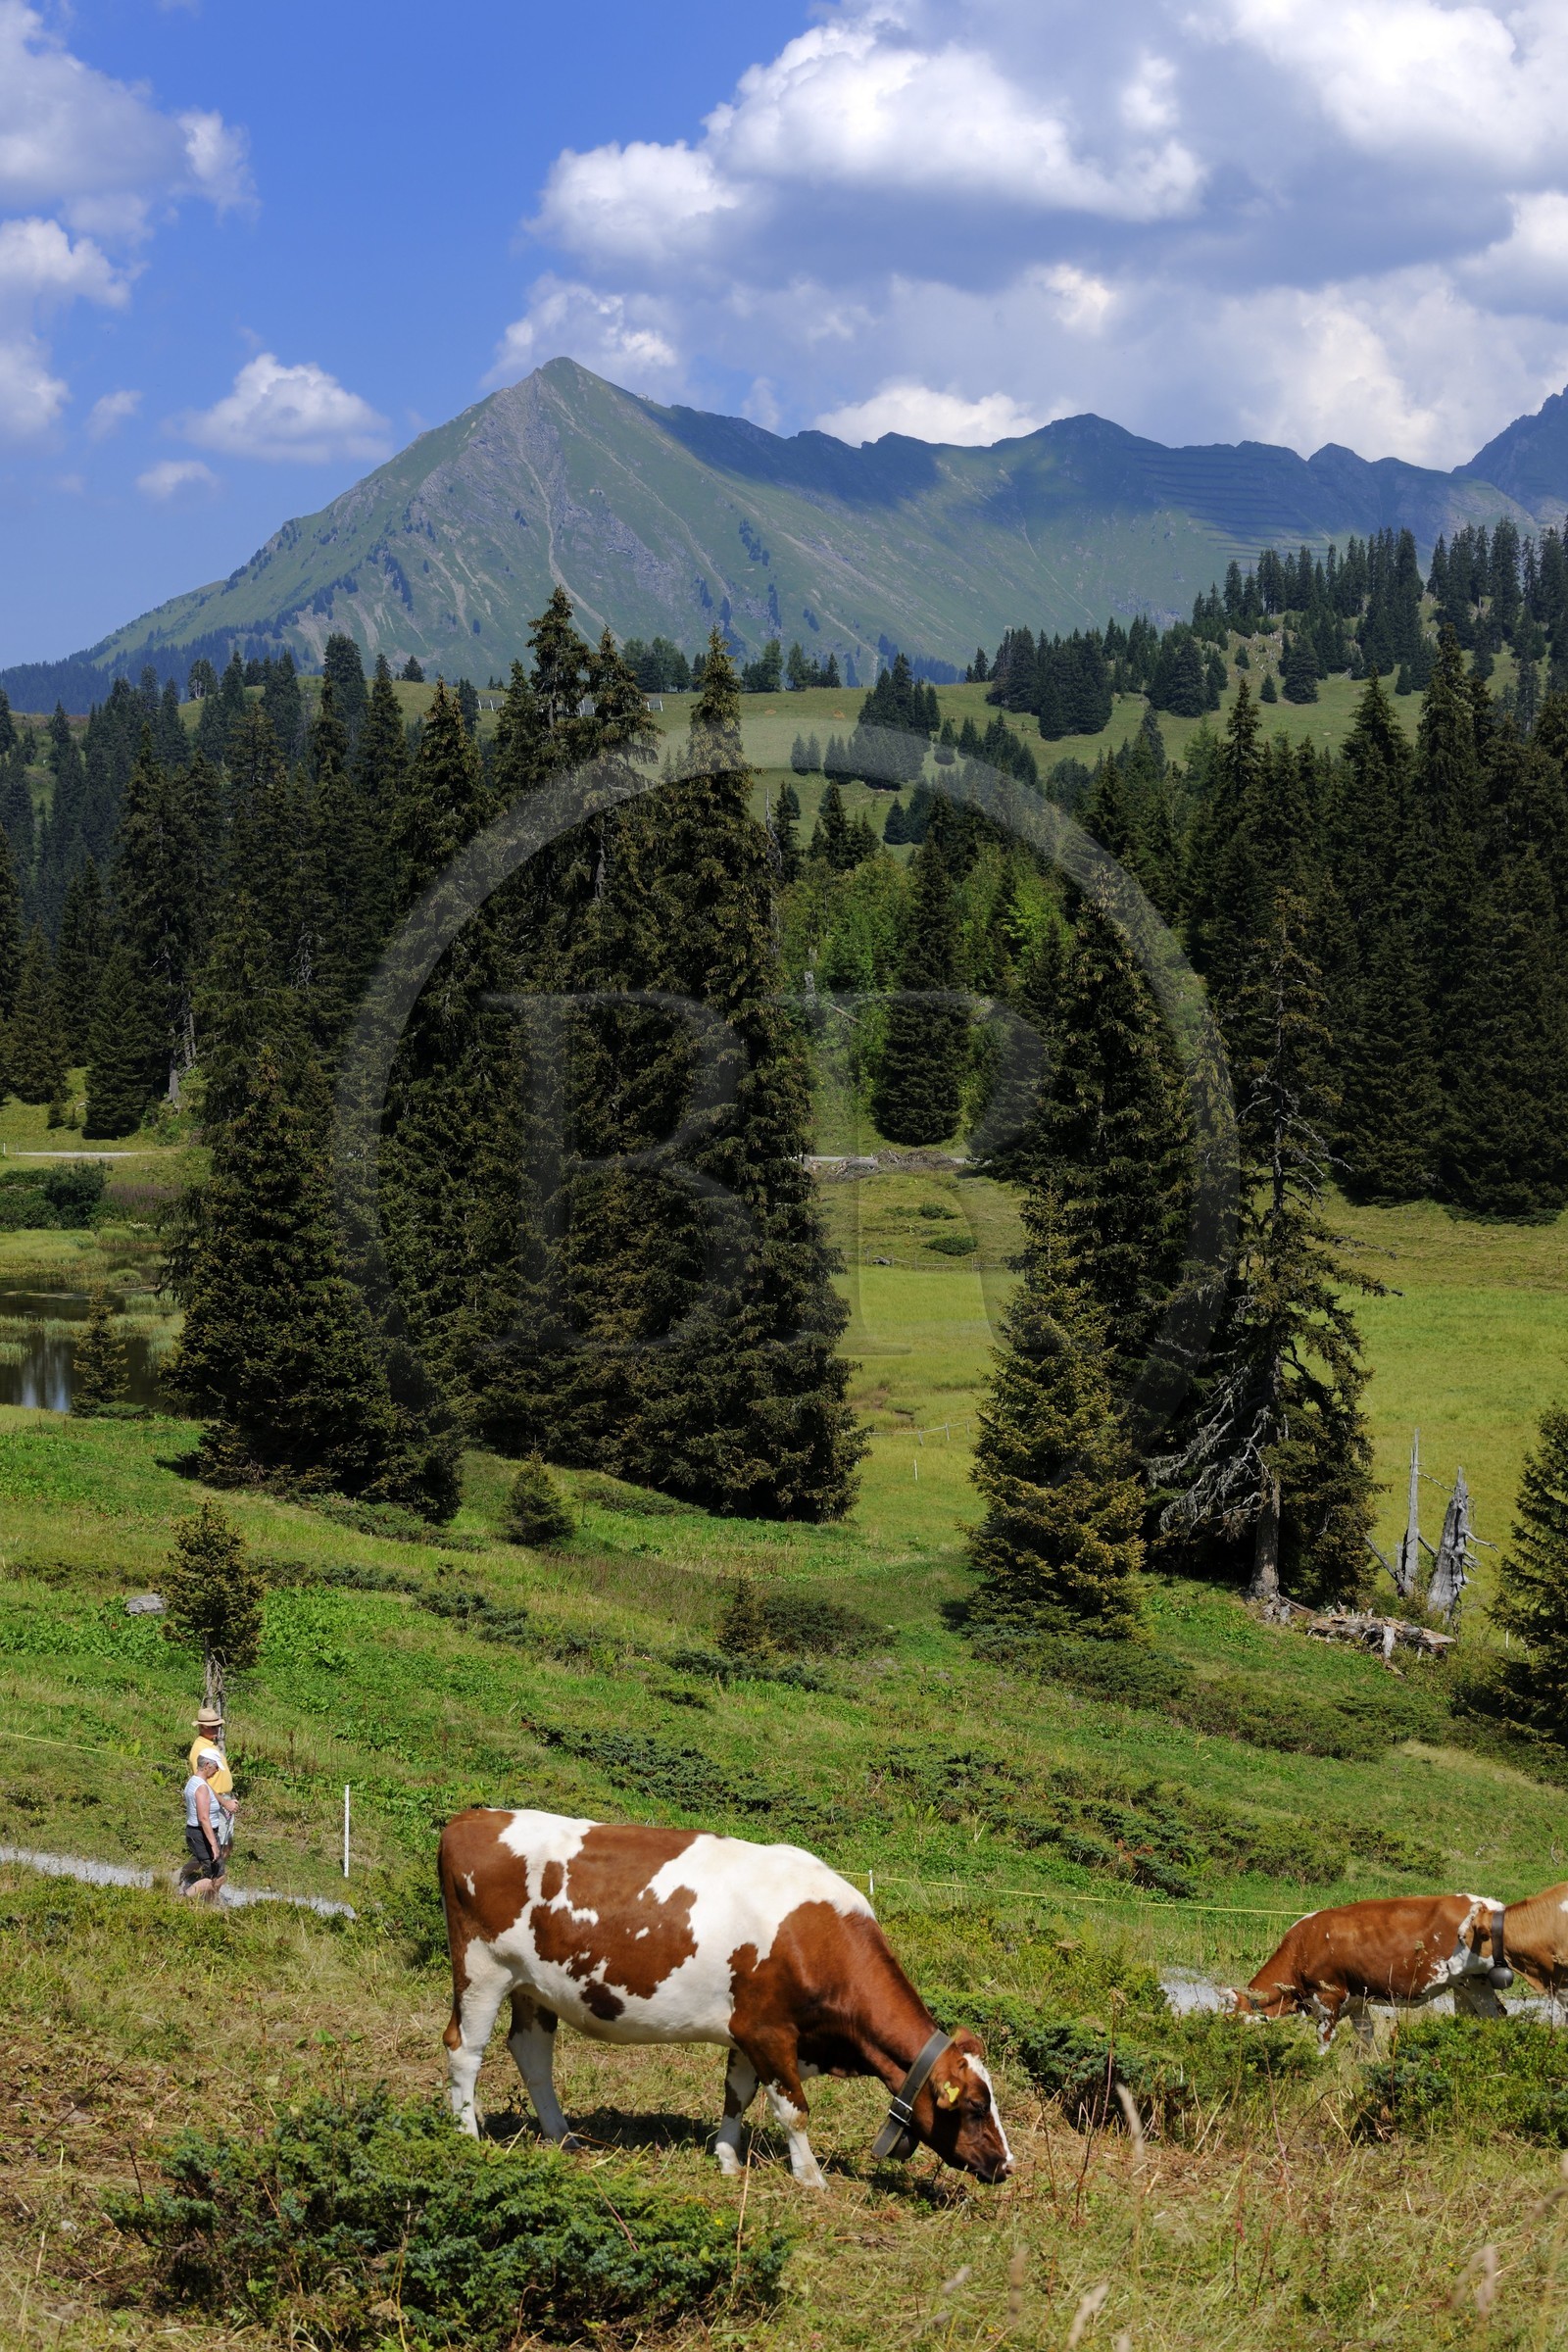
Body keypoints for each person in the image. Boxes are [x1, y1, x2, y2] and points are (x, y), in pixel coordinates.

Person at [179, 1750, 227, 1898]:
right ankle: (185, 1899)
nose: (217, 1770)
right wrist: (213, 1844)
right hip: (202, 1834)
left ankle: (174, 1879)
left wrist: (225, 1802)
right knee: (216, 1876)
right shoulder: (202, 1788)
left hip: (197, 1832)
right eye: (215, 1767)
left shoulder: (195, 1781)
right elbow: (203, 1818)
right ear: (207, 1765)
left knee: (212, 1870)